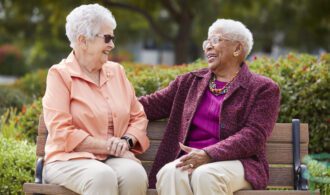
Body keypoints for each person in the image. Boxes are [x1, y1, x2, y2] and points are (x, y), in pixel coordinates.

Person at [139, 18, 280, 195]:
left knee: (205, 175)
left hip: (240, 163)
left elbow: (254, 136)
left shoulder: (263, 88)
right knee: (170, 172)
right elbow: (149, 105)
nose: (207, 47)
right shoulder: (189, 82)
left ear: (237, 49)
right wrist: (107, 103)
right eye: (207, 42)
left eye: (215, 40)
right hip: (190, 160)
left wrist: (209, 154)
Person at [42, 4, 149, 195]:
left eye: (113, 38)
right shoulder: (60, 75)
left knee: (135, 174)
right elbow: (61, 131)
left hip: (112, 158)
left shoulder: (117, 72)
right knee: (101, 176)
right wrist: (108, 145)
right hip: (68, 158)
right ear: (83, 40)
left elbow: (138, 117)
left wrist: (126, 140)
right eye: (107, 38)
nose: (112, 45)